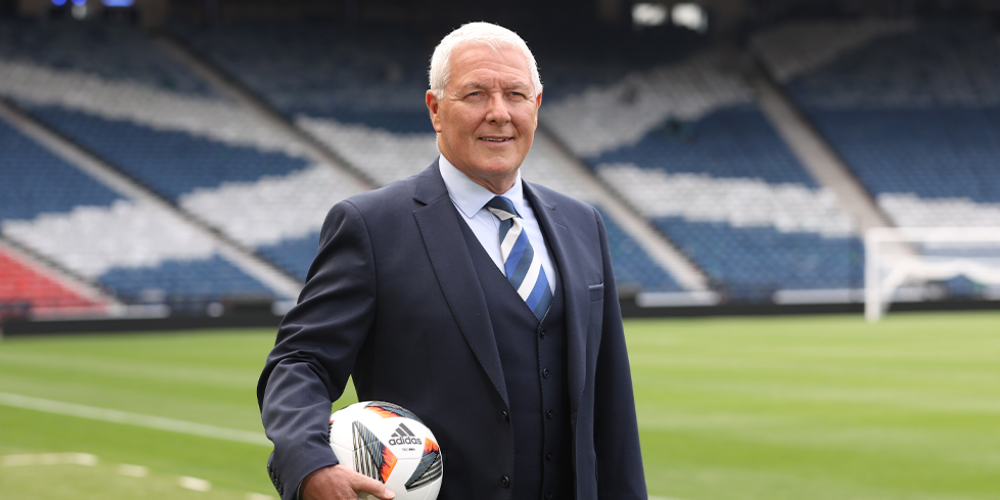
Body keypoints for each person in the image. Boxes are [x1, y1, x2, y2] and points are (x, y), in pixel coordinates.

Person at [258, 22, 646, 500]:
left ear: (537, 107)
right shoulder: (372, 226)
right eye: (476, 94)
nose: (499, 113)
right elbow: (300, 362)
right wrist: (310, 463)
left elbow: (611, 406)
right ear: (436, 109)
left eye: (515, 94)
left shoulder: (582, 223)